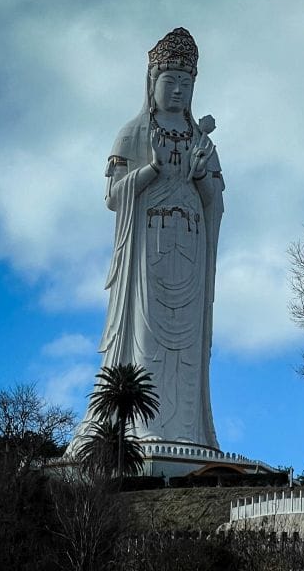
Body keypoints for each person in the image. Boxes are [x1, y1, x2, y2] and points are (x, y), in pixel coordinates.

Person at [84, 27, 224, 450]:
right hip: (148, 247)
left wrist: (200, 175)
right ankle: (140, 430)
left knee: (189, 349)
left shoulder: (202, 141)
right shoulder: (133, 133)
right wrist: (152, 169)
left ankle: (190, 433)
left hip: (192, 246)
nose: (178, 90)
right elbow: (113, 196)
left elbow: (215, 200)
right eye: (170, 81)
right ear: (152, 82)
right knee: (147, 342)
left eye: (186, 82)